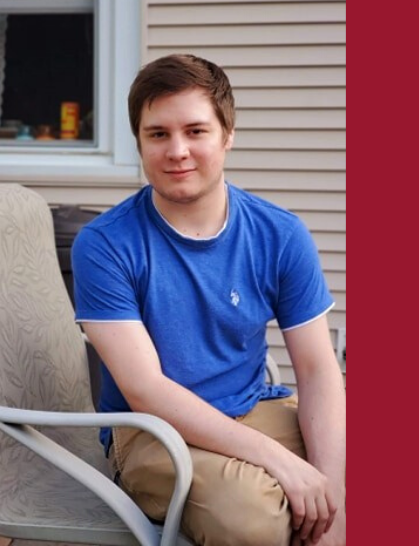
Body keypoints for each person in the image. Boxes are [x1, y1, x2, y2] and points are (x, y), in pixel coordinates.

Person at [71, 54, 346, 546]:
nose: (177, 151)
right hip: (150, 432)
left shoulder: (279, 235)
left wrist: (335, 503)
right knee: (253, 520)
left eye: (196, 131)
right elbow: (146, 390)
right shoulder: (106, 244)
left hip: (251, 406)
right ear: (139, 141)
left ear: (227, 135)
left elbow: (318, 371)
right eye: (158, 134)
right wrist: (282, 462)